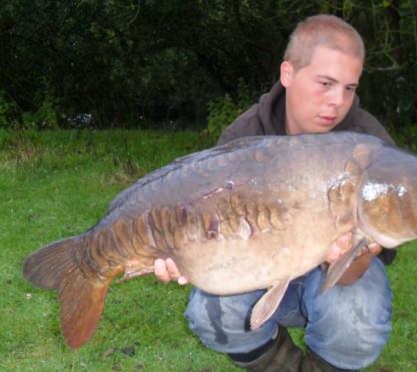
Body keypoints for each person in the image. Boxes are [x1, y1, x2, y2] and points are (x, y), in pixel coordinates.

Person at [155, 14, 395, 371]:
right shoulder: (245, 136)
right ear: (288, 74)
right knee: (209, 311)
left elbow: (366, 265)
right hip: (257, 268)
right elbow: (209, 230)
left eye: (349, 88)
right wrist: (183, 255)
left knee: (355, 317)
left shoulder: (370, 146)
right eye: (325, 83)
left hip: (331, 283)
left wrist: (348, 254)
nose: (337, 102)